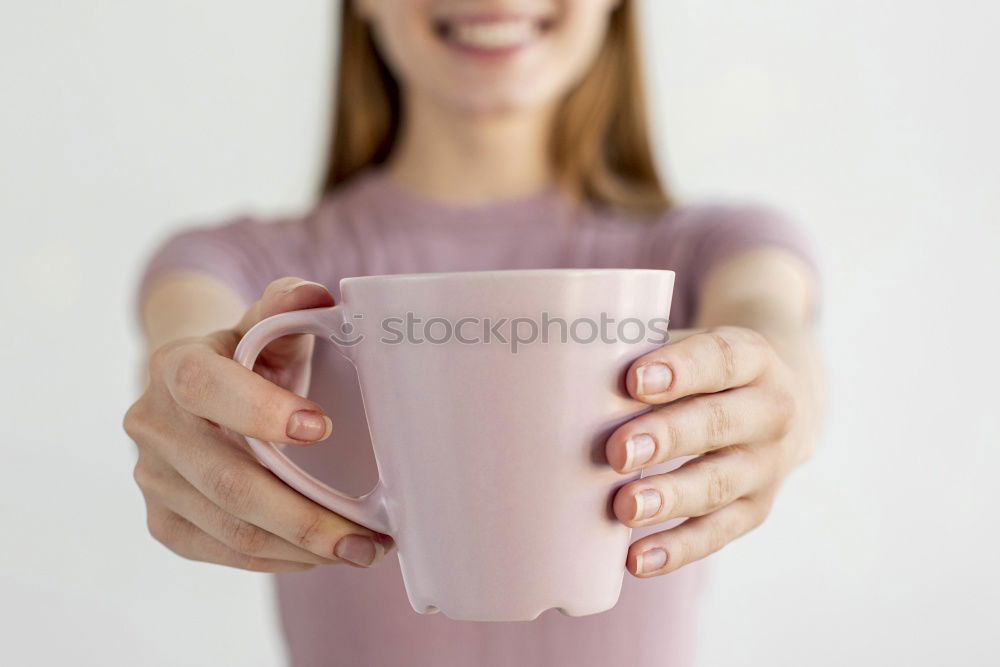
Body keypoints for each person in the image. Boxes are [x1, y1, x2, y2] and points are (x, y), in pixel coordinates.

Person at [124, 1, 823, 664]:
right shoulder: (238, 263)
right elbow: (189, 341)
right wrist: (194, 406)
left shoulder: (714, 247)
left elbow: (773, 322)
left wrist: (776, 394)